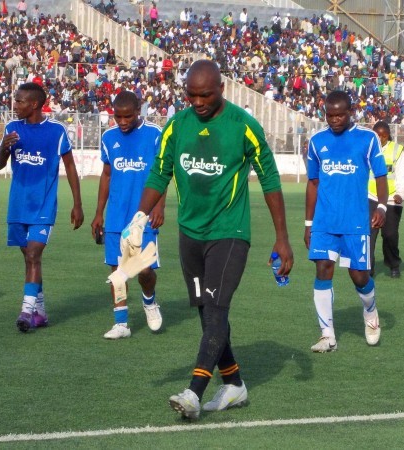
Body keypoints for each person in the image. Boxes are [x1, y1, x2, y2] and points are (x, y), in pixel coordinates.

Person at [125, 60, 293, 419]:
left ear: (221, 89)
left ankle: (194, 392)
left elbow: (270, 180)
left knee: (216, 310)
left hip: (229, 234)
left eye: (206, 94)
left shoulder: (243, 127)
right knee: (205, 312)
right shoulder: (176, 125)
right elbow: (160, 172)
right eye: (191, 95)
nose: (198, 102)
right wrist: (139, 218)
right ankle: (234, 384)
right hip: (190, 235)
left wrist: (282, 238)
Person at [0, 82, 84, 332]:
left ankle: (26, 312)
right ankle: (41, 313)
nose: (15, 104)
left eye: (20, 101)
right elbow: (0, 164)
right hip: (18, 206)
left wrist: (77, 204)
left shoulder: (56, 131)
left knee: (34, 254)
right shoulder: (12, 128)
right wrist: (4, 148)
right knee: (29, 258)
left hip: (43, 206)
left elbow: (70, 167)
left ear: (34, 104)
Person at [304, 90, 388, 353]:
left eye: (340, 114)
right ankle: (327, 335)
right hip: (325, 221)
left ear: (350, 112)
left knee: (359, 276)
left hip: (355, 222)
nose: (335, 119)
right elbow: (313, 183)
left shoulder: (367, 139)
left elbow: (381, 176)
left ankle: (370, 311)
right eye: (330, 115)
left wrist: (382, 206)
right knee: (323, 269)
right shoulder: (317, 142)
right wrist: (308, 224)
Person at [91, 91, 165, 339]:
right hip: (115, 215)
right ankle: (121, 322)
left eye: (128, 116)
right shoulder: (108, 137)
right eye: (118, 116)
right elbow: (107, 175)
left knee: (143, 270)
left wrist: (159, 206)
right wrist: (98, 213)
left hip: (143, 216)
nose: (122, 122)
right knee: (118, 271)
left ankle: (149, 301)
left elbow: (162, 172)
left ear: (138, 111)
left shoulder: (154, 134)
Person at [368, 121, 404, 278]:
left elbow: (403, 175)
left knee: (390, 235)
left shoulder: (396, 151)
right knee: (369, 234)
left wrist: (400, 193)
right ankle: (368, 268)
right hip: (370, 197)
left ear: (388, 136)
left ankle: (393, 264)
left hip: (392, 199)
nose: (380, 138)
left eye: (383, 135)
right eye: (377, 134)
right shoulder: (366, 149)